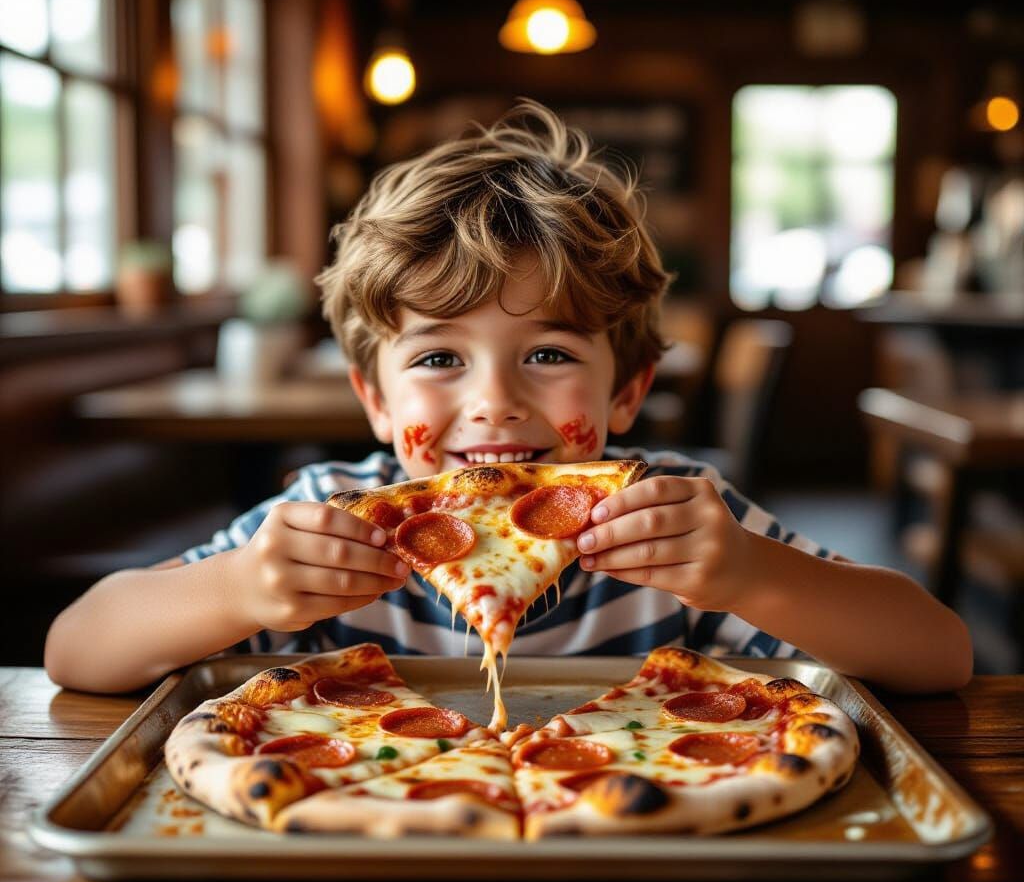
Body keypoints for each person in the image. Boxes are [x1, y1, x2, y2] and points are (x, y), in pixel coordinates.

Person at [44, 101, 972, 696]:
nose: (493, 401)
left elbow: (939, 655)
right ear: (373, 399)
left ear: (628, 392)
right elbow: (77, 650)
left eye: (549, 353)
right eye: (441, 359)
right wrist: (238, 588)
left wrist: (749, 575)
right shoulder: (325, 522)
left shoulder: (679, 520)